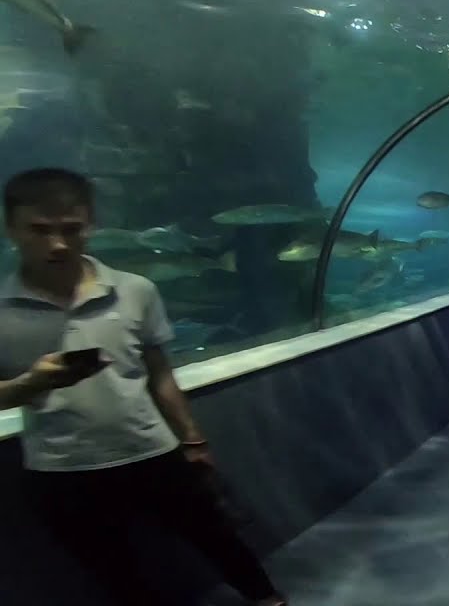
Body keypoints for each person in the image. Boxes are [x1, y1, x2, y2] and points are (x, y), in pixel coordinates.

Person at [0, 168, 286, 606]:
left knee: (218, 539)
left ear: (91, 225)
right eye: (39, 230)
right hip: (60, 469)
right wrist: (31, 383)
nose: (57, 244)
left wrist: (193, 439)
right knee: (114, 572)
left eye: (71, 229)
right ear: (11, 229)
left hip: (151, 451)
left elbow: (160, 373)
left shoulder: (135, 290)